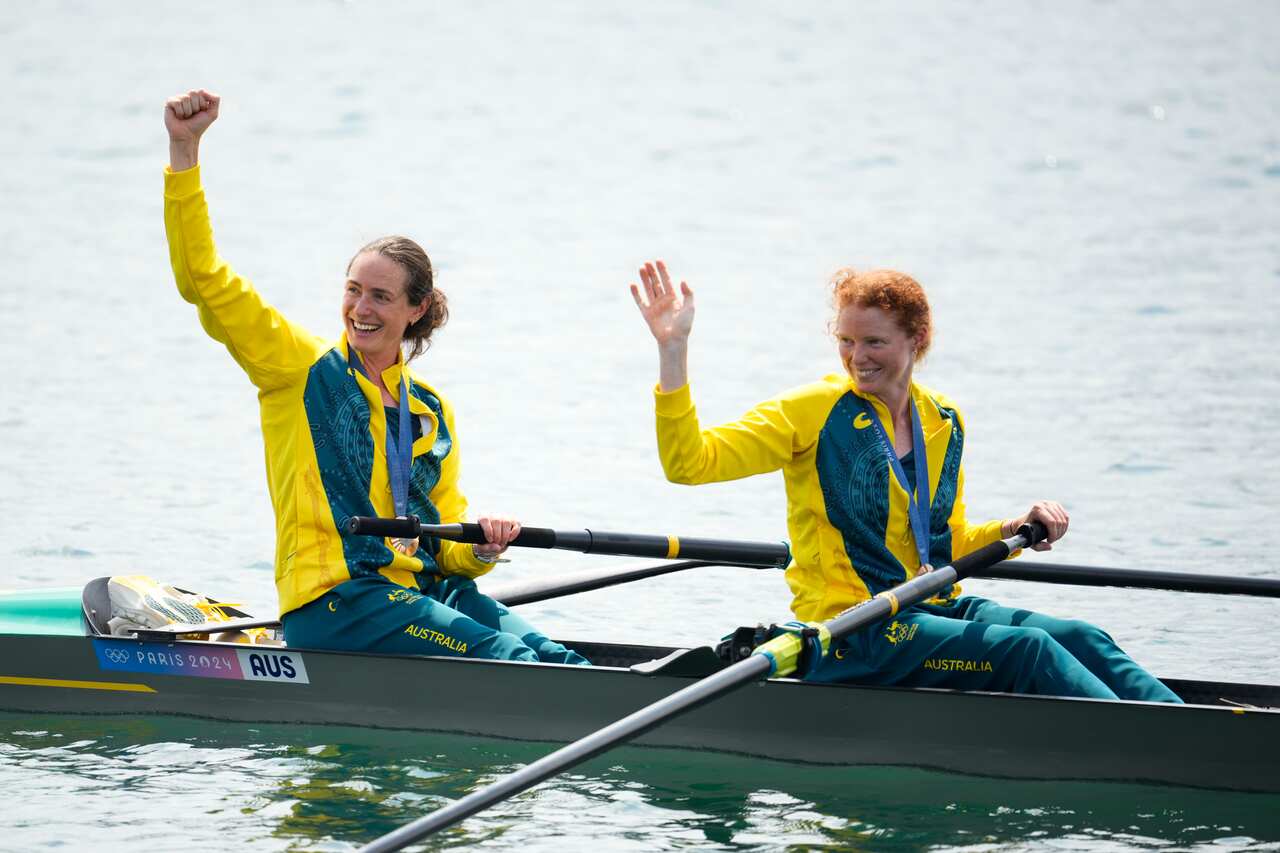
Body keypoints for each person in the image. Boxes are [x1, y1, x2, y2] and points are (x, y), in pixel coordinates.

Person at [163, 89, 586, 665]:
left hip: (417, 590)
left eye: (381, 296)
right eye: (353, 290)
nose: (361, 308)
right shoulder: (299, 370)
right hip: (337, 601)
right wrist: (184, 151)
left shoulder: (430, 411)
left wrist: (484, 546)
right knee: (504, 654)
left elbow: (441, 549)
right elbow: (202, 279)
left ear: (415, 309)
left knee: (545, 651)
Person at [630, 260, 1178, 701]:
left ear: (917, 339)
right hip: (852, 629)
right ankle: (1168, 749)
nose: (856, 358)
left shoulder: (943, 419)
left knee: (1084, 637)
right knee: (1028, 650)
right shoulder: (813, 411)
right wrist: (672, 350)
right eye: (846, 341)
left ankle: (1195, 730)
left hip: (931, 607)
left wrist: (1014, 527)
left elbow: (944, 545)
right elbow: (689, 464)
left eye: (873, 343)